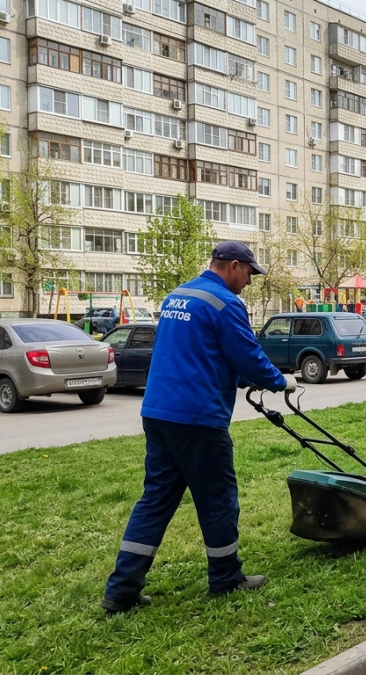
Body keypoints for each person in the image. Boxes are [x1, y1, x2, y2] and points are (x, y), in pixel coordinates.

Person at [102, 242, 297, 614]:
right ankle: (225, 578)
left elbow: (198, 352)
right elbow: (247, 355)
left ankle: (121, 591)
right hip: (197, 417)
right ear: (233, 266)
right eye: (249, 274)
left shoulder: (178, 296)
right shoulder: (225, 303)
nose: (249, 282)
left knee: (155, 500)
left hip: (158, 412)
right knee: (218, 499)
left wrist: (236, 377)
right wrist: (279, 381)